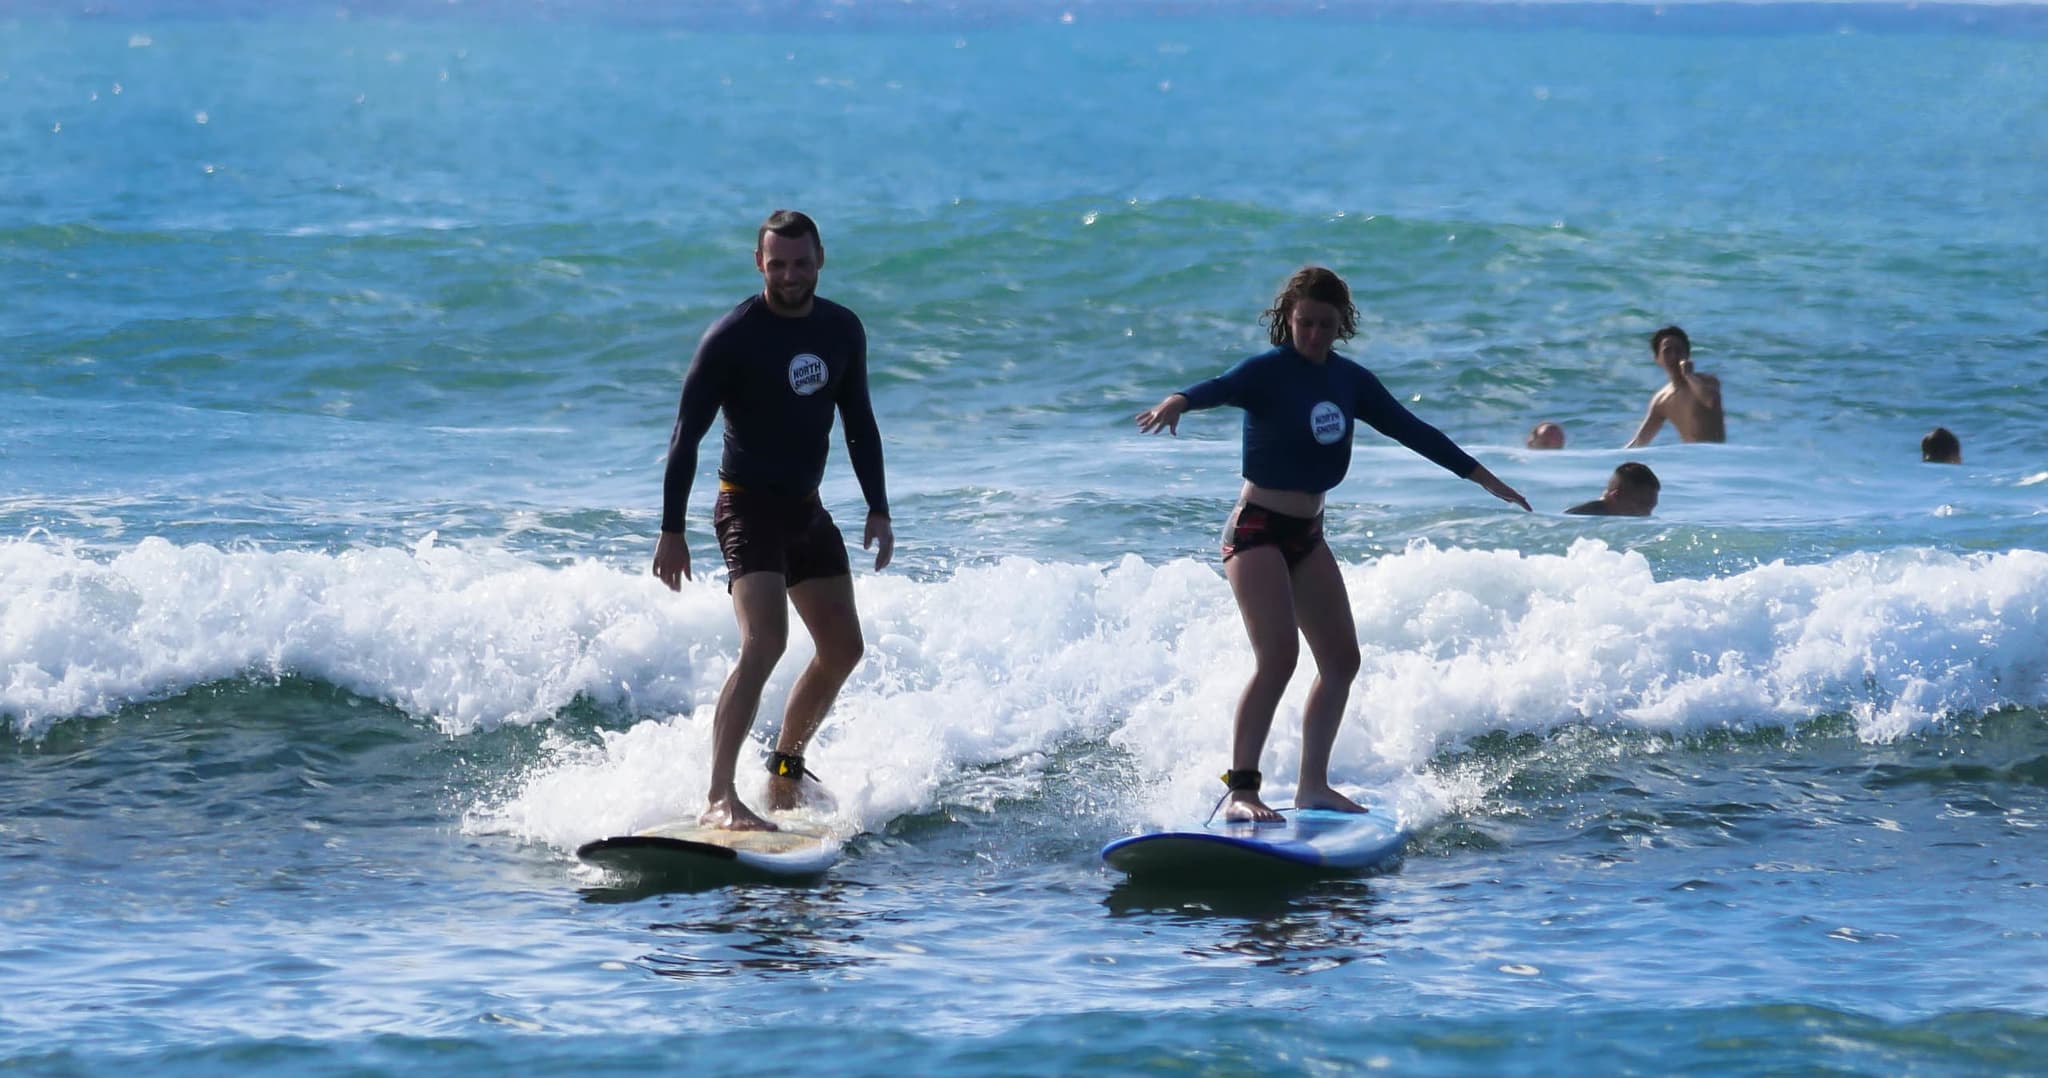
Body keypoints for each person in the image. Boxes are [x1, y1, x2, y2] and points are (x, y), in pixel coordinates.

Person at [1135, 266, 1531, 824]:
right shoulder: (1267, 372)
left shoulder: (1350, 382)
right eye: (1305, 324)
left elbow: (1411, 428)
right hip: (1255, 530)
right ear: (1287, 320)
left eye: (1326, 324)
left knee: (1342, 660)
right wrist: (1178, 400)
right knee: (1278, 658)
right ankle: (1243, 791)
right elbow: (1219, 387)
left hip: (1307, 534)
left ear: (1342, 324)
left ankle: (1312, 786)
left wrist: (1482, 476)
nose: (1315, 335)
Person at [652, 210, 894, 832]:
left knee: (843, 647)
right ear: (759, 263)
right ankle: (718, 796)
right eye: (778, 263)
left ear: (820, 260)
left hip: (806, 510)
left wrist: (878, 506)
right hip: (746, 507)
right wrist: (671, 529)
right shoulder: (732, 337)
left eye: (801, 262)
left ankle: (784, 771)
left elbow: (859, 422)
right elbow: (686, 436)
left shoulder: (842, 329)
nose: (790, 274)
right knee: (766, 642)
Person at [1624, 325, 1724, 447]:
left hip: (1717, 457)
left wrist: (1689, 376)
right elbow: (1640, 441)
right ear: (1657, 358)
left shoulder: (1707, 381)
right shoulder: (1661, 400)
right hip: (1691, 461)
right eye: (1667, 351)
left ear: (1687, 354)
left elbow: (1710, 401)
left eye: (1679, 350)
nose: (1674, 356)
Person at [1565, 462, 1660, 517]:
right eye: (1641, 505)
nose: (1647, 514)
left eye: (1651, 506)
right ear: (1615, 496)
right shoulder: (1580, 516)